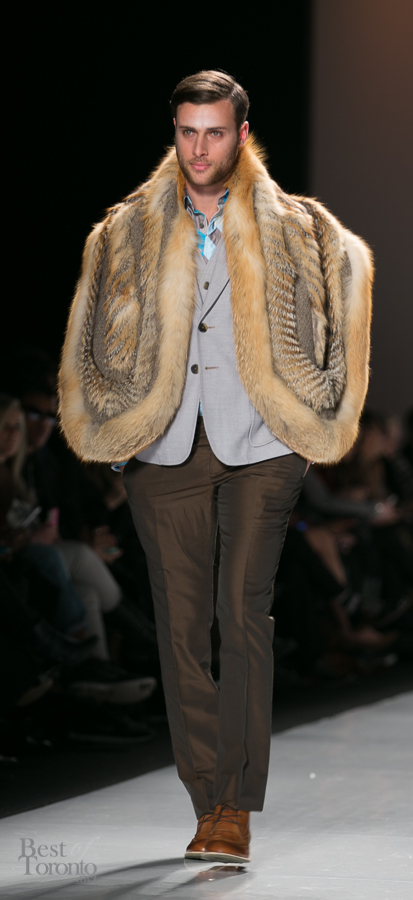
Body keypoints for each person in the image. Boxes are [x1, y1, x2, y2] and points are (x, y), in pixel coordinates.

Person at [59, 71, 373, 863]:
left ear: (241, 134)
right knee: (181, 629)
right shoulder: (125, 230)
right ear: (175, 132)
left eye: (215, 132)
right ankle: (208, 795)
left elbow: (343, 307)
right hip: (162, 447)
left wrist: (316, 418)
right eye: (187, 131)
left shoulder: (298, 227)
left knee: (242, 613)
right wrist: (115, 425)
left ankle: (233, 807)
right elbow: (90, 333)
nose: (200, 148)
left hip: (262, 444)